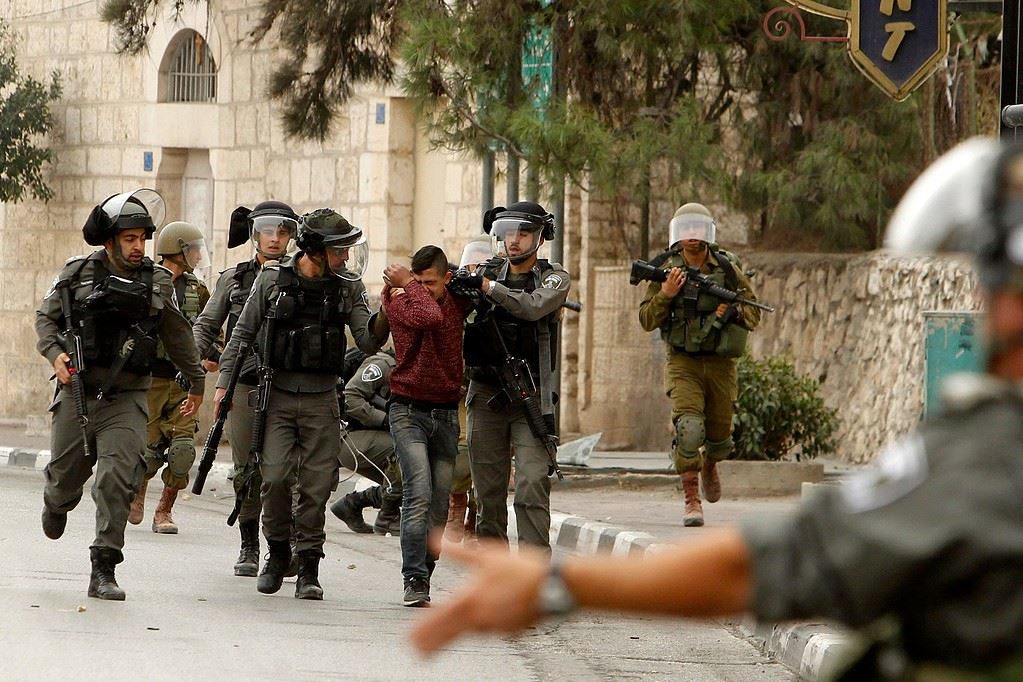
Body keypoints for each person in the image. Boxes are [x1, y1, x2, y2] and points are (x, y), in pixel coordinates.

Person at [412, 138, 1023, 679]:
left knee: (673, 448)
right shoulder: (653, 270)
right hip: (622, 373)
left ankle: (694, 479)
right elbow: (647, 317)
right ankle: (683, 491)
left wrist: (560, 585)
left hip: (656, 376)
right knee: (677, 434)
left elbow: (771, 564)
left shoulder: (985, 457)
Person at [35, 189, 205, 600]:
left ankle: (104, 567)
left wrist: (197, 382)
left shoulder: (156, 282)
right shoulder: (77, 274)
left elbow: (178, 334)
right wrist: (55, 354)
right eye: (129, 239)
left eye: (142, 238)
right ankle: (56, 501)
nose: (137, 246)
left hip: (128, 397)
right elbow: (46, 319)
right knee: (65, 478)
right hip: (78, 392)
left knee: (118, 477)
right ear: (110, 241)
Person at [215, 208, 387, 600]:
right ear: (315, 249)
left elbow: (367, 340)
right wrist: (224, 386)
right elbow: (242, 334)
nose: (345, 257)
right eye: (338, 250)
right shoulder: (272, 280)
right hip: (275, 397)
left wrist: (388, 311)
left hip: (322, 399)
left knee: (315, 486)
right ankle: (277, 552)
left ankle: (309, 565)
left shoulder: (347, 287)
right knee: (274, 478)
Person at [638, 203, 761, 526]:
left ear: (708, 232)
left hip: (720, 363)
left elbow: (753, 312)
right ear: (677, 234)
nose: (692, 235)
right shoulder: (667, 268)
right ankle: (692, 500)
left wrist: (731, 312)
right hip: (683, 362)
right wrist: (666, 293)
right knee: (689, 429)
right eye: (686, 228)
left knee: (720, 438)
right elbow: (646, 319)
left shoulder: (727, 266)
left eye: (697, 228)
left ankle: (710, 464)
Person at [192, 200, 297, 577]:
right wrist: (195, 364)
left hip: (289, 386)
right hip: (245, 383)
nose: (274, 239)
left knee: (288, 471)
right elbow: (206, 325)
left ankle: (285, 544)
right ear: (255, 235)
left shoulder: (300, 275)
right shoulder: (233, 279)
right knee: (246, 468)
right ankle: (250, 543)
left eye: (282, 232)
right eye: (267, 232)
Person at [461, 202, 570, 554]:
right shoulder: (486, 271)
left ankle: (532, 573)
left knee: (532, 483)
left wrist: (488, 287)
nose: (514, 240)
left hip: (530, 395)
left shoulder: (554, 277)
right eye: (508, 233)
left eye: (523, 233)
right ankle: (496, 571)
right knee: (487, 492)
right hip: (486, 392)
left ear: (540, 238)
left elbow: (533, 306)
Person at [381, 245, 467, 607]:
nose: (423, 288)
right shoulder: (401, 302)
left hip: (445, 413)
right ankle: (413, 577)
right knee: (418, 492)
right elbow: (430, 316)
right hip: (408, 410)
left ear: (446, 278)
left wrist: (471, 276)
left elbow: (472, 294)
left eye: (430, 282)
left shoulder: (456, 302)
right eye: (417, 281)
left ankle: (425, 569)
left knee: (438, 503)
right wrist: (408, 285)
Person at [129, 220, 215, 534]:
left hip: (184, 383)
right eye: (193, 250)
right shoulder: (146, 283)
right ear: (176, 251)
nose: (197, 256)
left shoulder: (197, 289)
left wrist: (212, 355)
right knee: (148, 452)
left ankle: (164, 510)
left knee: (182, 453)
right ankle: (137, 495)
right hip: (150, 381)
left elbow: (212, 325)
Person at [331, 349, 403, 536]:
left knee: (421, 479)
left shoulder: (412, 369)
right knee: (405, 450)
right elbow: (350, 396)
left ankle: (354, 503)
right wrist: (385, 419)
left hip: (374, 440)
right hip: (350, 440)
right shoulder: (383, 365)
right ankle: (388, 517)